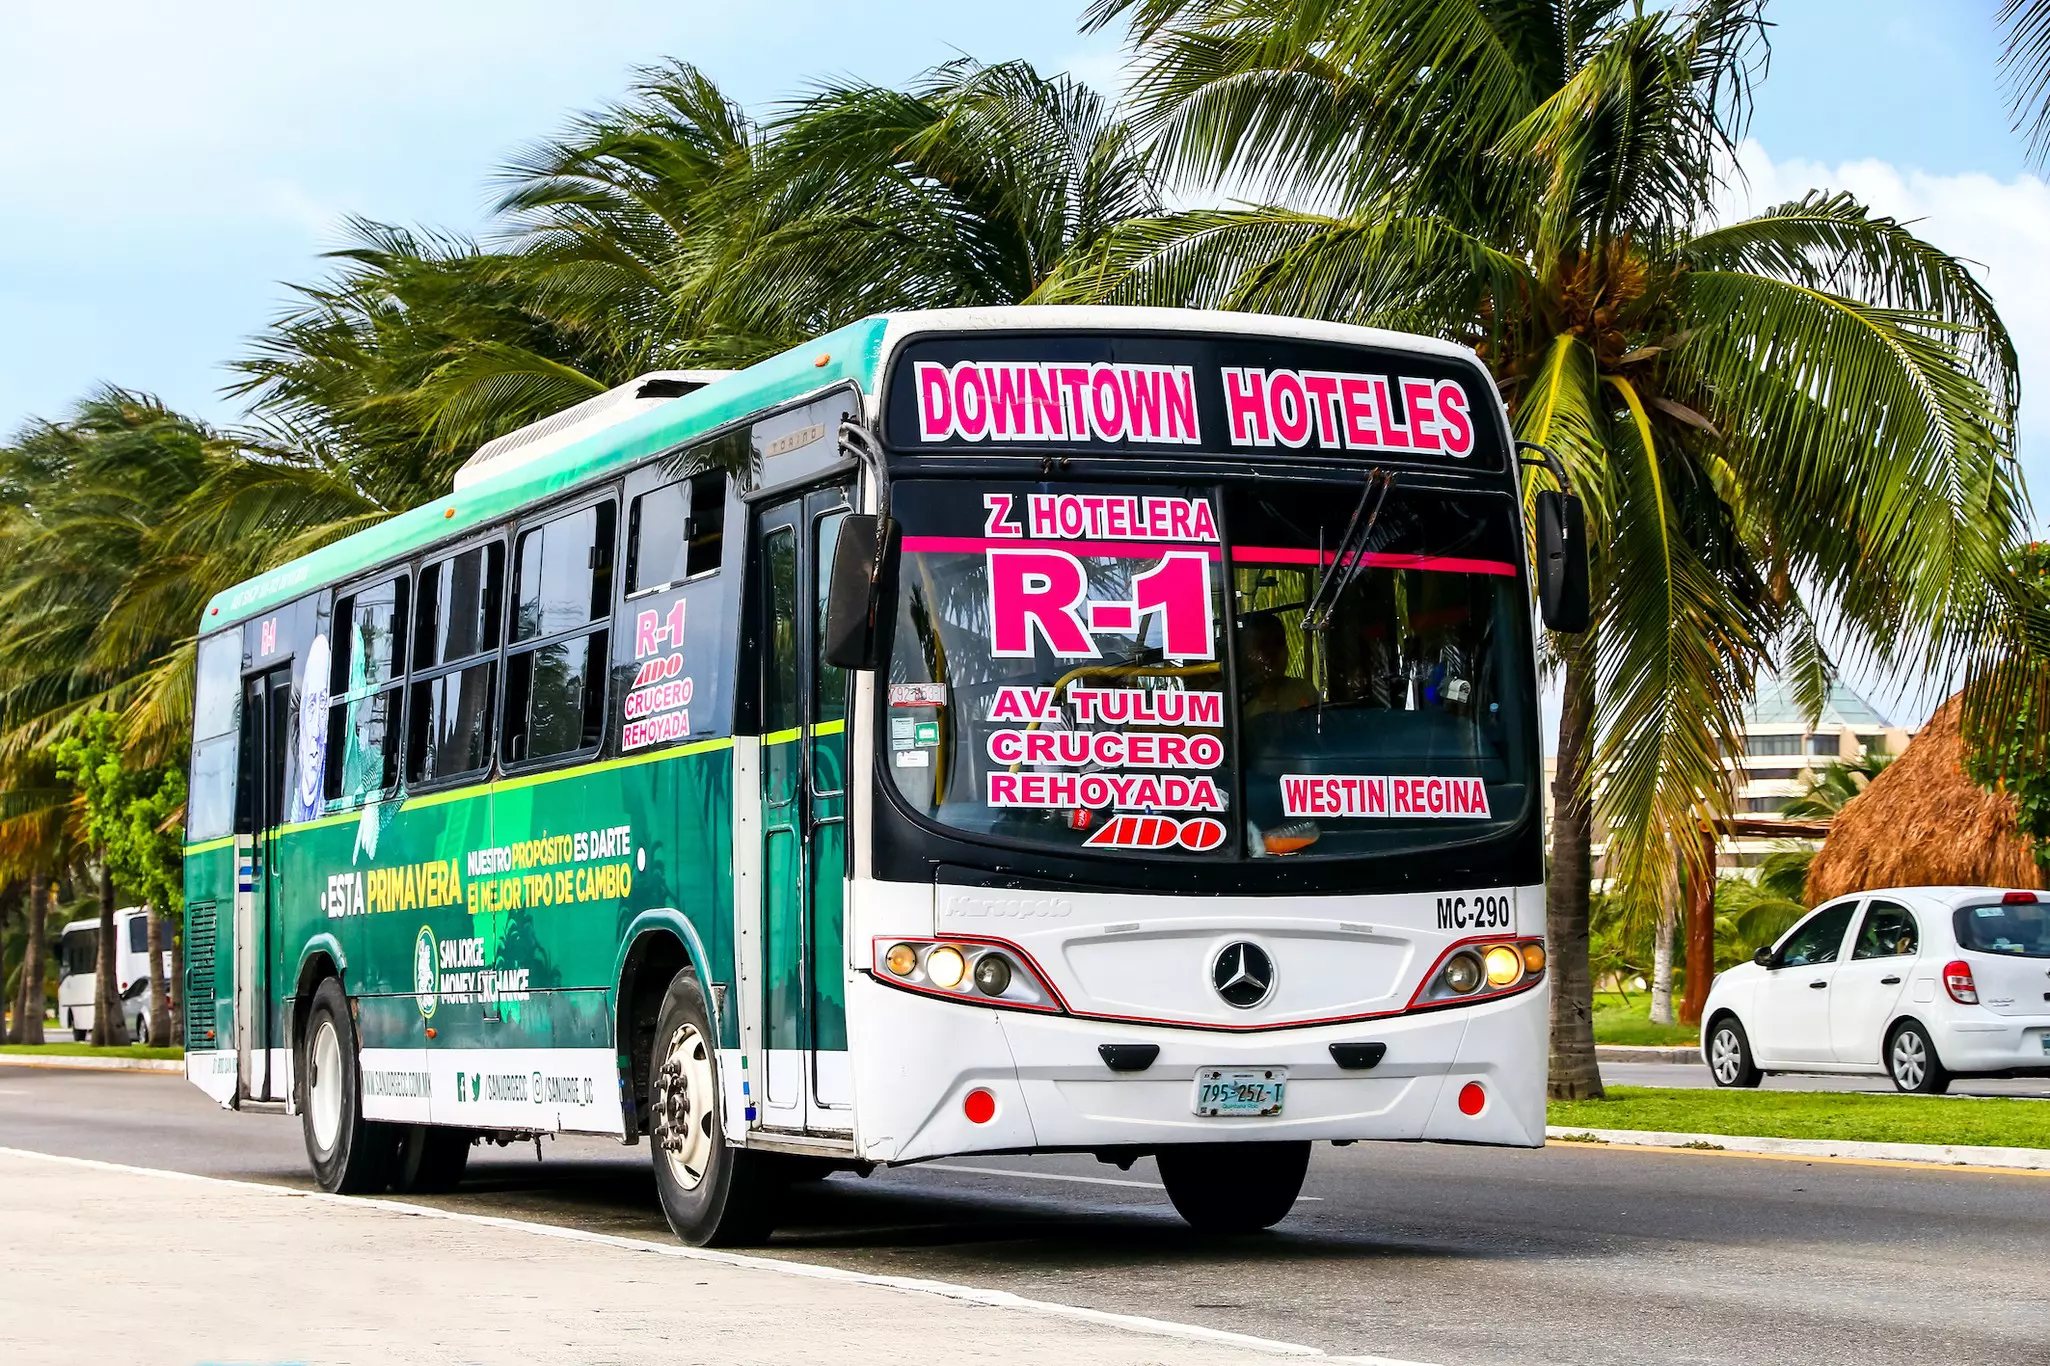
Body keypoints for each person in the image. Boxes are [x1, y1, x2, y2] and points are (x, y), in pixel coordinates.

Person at [1239, 614, 1318, 717]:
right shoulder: (1228, 698)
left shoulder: (1304, 690)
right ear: (1246, 654)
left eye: (1278, 642)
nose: (1272, 652)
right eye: (1263, 644)